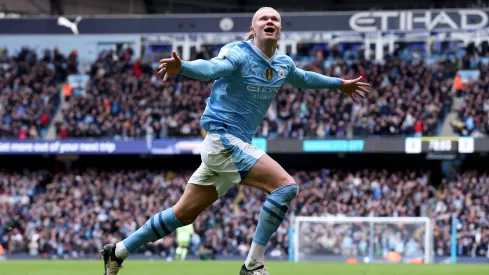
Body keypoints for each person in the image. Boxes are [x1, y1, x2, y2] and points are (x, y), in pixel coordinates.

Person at [101, 6, 370, 275]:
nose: (270, 21)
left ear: (280, 30)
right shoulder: (239, 53)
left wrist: (339, 84)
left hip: (232, 145)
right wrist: (183, 67)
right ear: (253, 29)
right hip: (223, 139)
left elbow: (303, 78)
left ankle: (118, 251)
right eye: (263, 18)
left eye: (274, 19)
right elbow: (212, 68)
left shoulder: (282, 64)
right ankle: (253, 265)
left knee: (182, 215)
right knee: (286, 187)